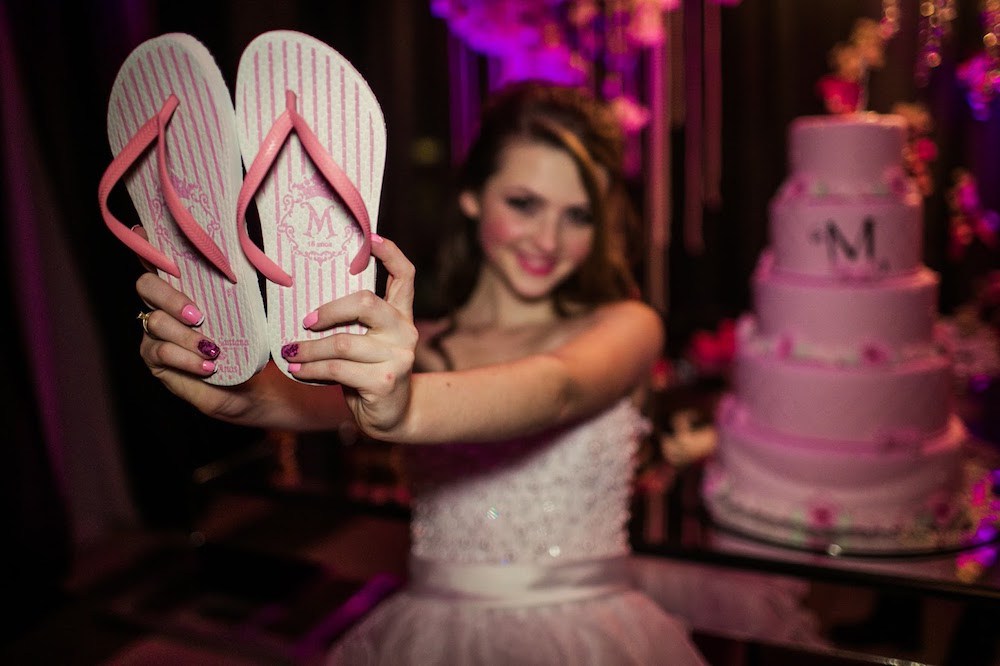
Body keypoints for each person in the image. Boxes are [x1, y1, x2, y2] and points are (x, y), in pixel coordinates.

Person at [135, 80, 707, 664]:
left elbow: (557, 389)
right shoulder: (412, 349)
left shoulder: (626, 326)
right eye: (524, 203)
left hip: (594, 636)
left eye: (578, 215)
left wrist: (402, 405)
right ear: (473, 197)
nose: (549, 240)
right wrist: (225, 381)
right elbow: (288, 399)